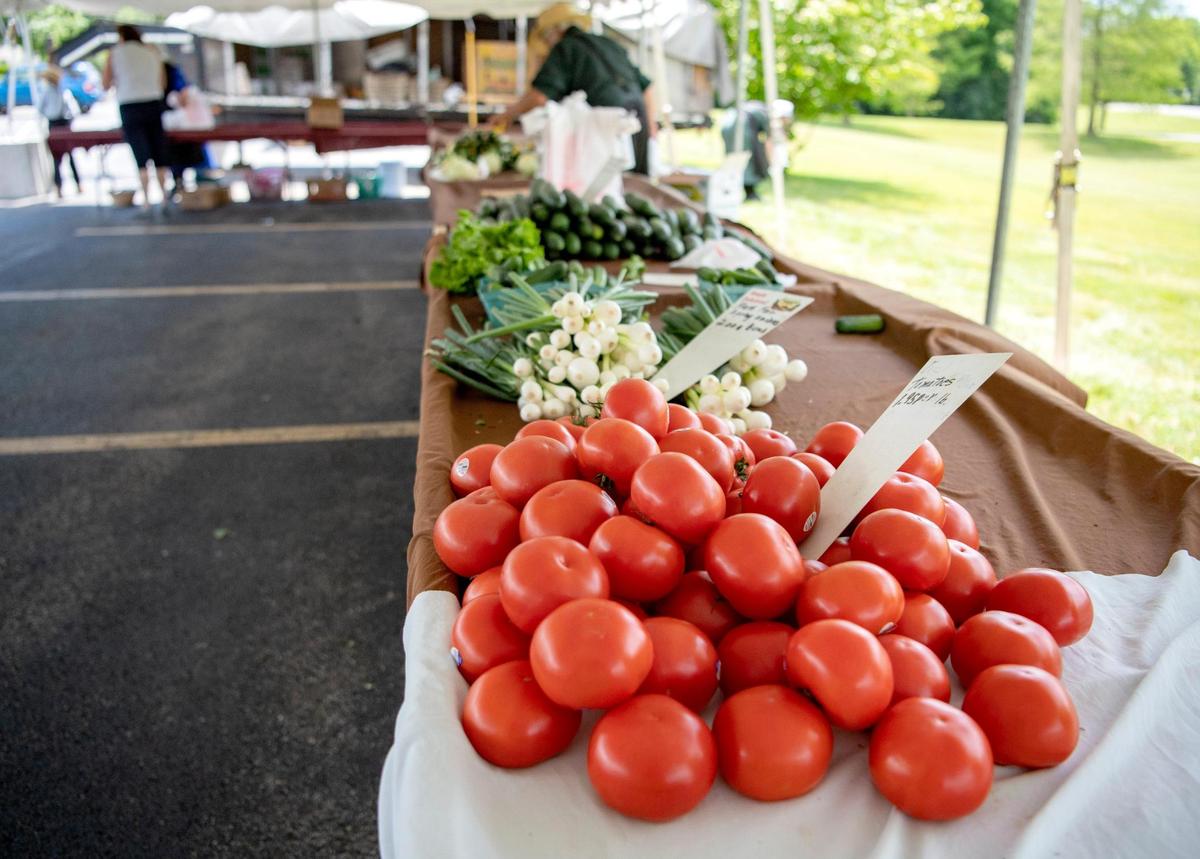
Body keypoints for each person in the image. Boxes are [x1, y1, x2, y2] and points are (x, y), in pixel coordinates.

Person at [489, 3, 657, 174]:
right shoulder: (607, 42)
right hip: (638, 116)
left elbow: (539, 97)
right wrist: (651, 126)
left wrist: (508, 115)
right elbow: (647, 87)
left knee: (605, 183)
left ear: (554, 31)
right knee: (637, 183)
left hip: (604, 124)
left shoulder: (565, 47)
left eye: (545, 37)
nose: (546, 44)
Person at [102, 24, 171, 210]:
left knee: (140, 155)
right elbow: (163, 82)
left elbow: (105, 83)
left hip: (129, 105)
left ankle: (147, 200)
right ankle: (164, 197)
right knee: (159, 151)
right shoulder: (152, 51)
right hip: (153, 103)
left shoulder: (115, 53)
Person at [36, 66, 82, 198]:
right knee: (60, 158)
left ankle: (69, 186)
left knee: (64, 158)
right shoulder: (56, 91)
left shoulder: (61, 91)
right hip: (59, 123)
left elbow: (41, 109)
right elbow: (73, 110)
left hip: (59, 123)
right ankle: (62, 187)